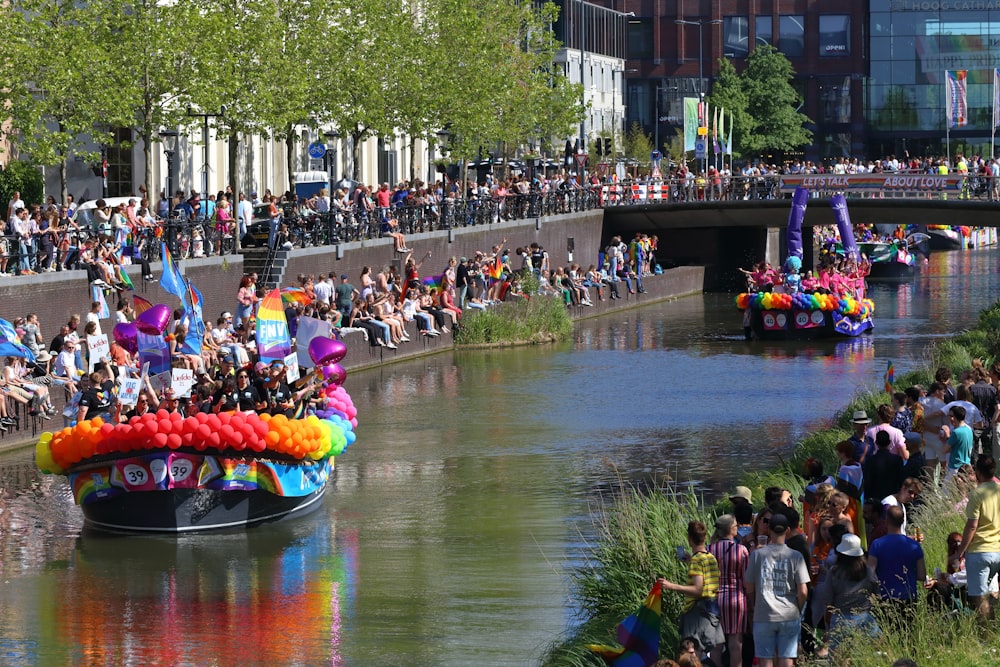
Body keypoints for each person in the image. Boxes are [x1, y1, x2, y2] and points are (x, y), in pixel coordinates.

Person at [743, 512, 810, 667]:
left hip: (764, 613)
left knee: (765, 659)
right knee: (787, 658)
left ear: (769, 530)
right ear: (787, 530)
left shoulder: (757, 555)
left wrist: (755, 603)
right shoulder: (796, 556)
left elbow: (749, 585)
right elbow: (803, 591)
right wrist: (797, 608)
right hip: (789, 613)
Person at [657, 521, 724, 667]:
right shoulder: (710, 557)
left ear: (689, 538)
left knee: (691, 650)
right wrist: (690, 561)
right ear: (704, 537)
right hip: (714, 608)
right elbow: (708, 580)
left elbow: (698, 589)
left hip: (698, 611)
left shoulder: (696, 561)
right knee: (715, 650)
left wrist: (671, 586)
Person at [953, 454, 1000, 619]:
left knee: (979, 597)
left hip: (980, 551)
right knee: (991, 593)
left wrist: (959, 552)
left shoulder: (976, 494)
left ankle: (985, 635)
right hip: (998, 550)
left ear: (978, 472)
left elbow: (972, 526)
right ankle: (993, 625)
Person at [815, 533, 879, 651]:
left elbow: (827, 600)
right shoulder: (868, 572)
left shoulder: (835, 572)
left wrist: (828, 621)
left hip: (841, 619)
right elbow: (876, 593)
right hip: (865, 619)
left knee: (839, 659)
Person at [868, 505, 925, 615]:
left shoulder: (877, 544)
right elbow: (922, 576)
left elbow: (870, 574)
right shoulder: (914, 546)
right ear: (903, 521)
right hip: (909, 597)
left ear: (886, 520)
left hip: (885, 597)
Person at [708, 514, 748, 667]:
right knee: (735, 642)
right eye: (736, 526)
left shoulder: (709, 549)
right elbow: (746, 580)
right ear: (731, 529)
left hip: (714, 599)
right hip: (736, 598)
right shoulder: (741, 550)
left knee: (716, 644)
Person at [941, 405, 974, 481]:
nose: (950, 418)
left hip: (955, 467)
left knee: (945, 492)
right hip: (966, 466)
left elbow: (944, 450)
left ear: (955, 417)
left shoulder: (956, 432)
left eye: (951, 416)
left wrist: (947, 435)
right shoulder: (969, 429)